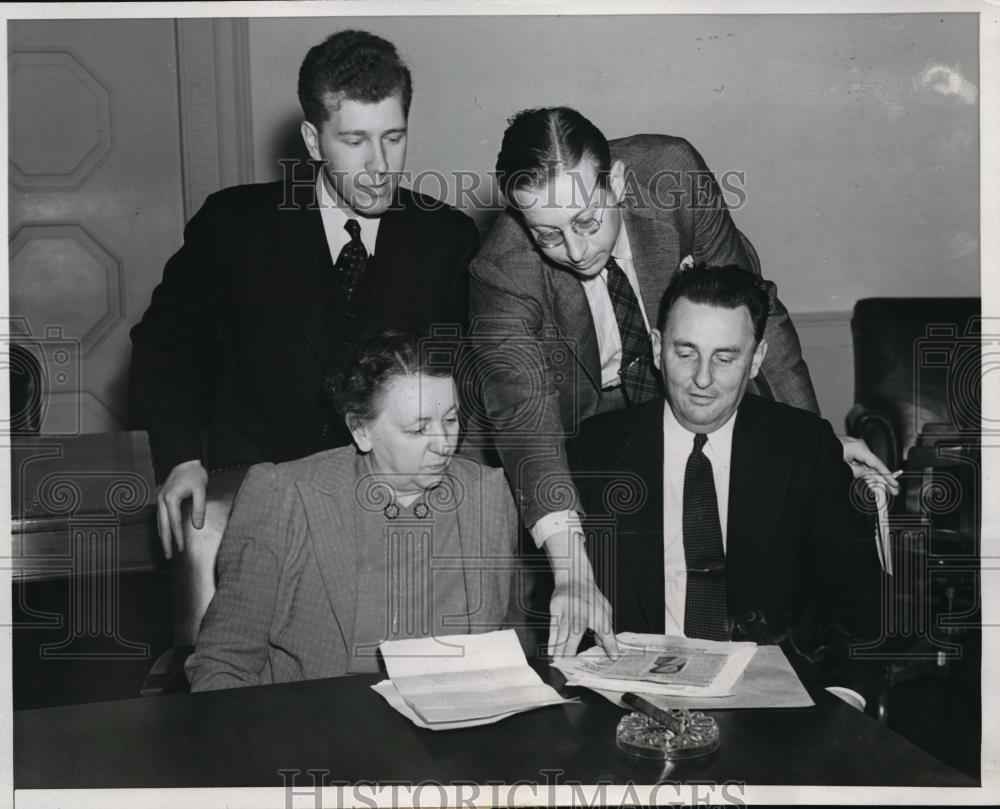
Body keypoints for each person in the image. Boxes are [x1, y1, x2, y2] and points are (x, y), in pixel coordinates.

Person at [466, 106, 894, 658]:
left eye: (588, 222)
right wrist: (570, 569)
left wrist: (814, 445)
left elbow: (753, 307)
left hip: (684, 386)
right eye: (548, 234)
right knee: (606, 610)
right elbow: (526, 419)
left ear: (619, 183)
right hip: (574, 434)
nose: (575, 251)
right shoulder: (501, 269)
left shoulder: (675, 177)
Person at [129, 30, 479, 640]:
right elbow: (166, 347)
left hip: (392, 511)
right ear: (314, 140)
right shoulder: (233, 225)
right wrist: (182, 457)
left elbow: (462, 382)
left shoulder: (446, 237)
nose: (379, 166)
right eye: (355, 141)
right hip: (258, 500)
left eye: (393, 137)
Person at [568, 265, 884, 710]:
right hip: (633, 704)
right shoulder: (594, 451)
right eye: (686, 353)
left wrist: (842, 704)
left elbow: (861, 600)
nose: (702, 379)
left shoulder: (805, 447)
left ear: (756, 359)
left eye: (725, 357)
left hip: (775, 708)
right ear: (657, 348)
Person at [186, 330, 516, 690]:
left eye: (450, 420)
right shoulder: (284, 496)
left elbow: (505, 653)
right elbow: (223, 664)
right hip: (313, 717)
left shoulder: (486, 494)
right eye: (419, 429)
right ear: (361, 430)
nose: (443, 444)